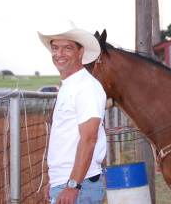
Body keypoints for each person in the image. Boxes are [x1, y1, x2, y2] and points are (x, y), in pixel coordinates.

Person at [39, 20, 107, 204]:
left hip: (80, 186)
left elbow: (89, 138)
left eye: (67, 48)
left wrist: (73, 185)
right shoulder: (70, 86)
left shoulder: (86, 88)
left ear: (81, 52)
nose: (59, 54)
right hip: (68, 182)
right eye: (55, 48)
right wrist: (56, 180)